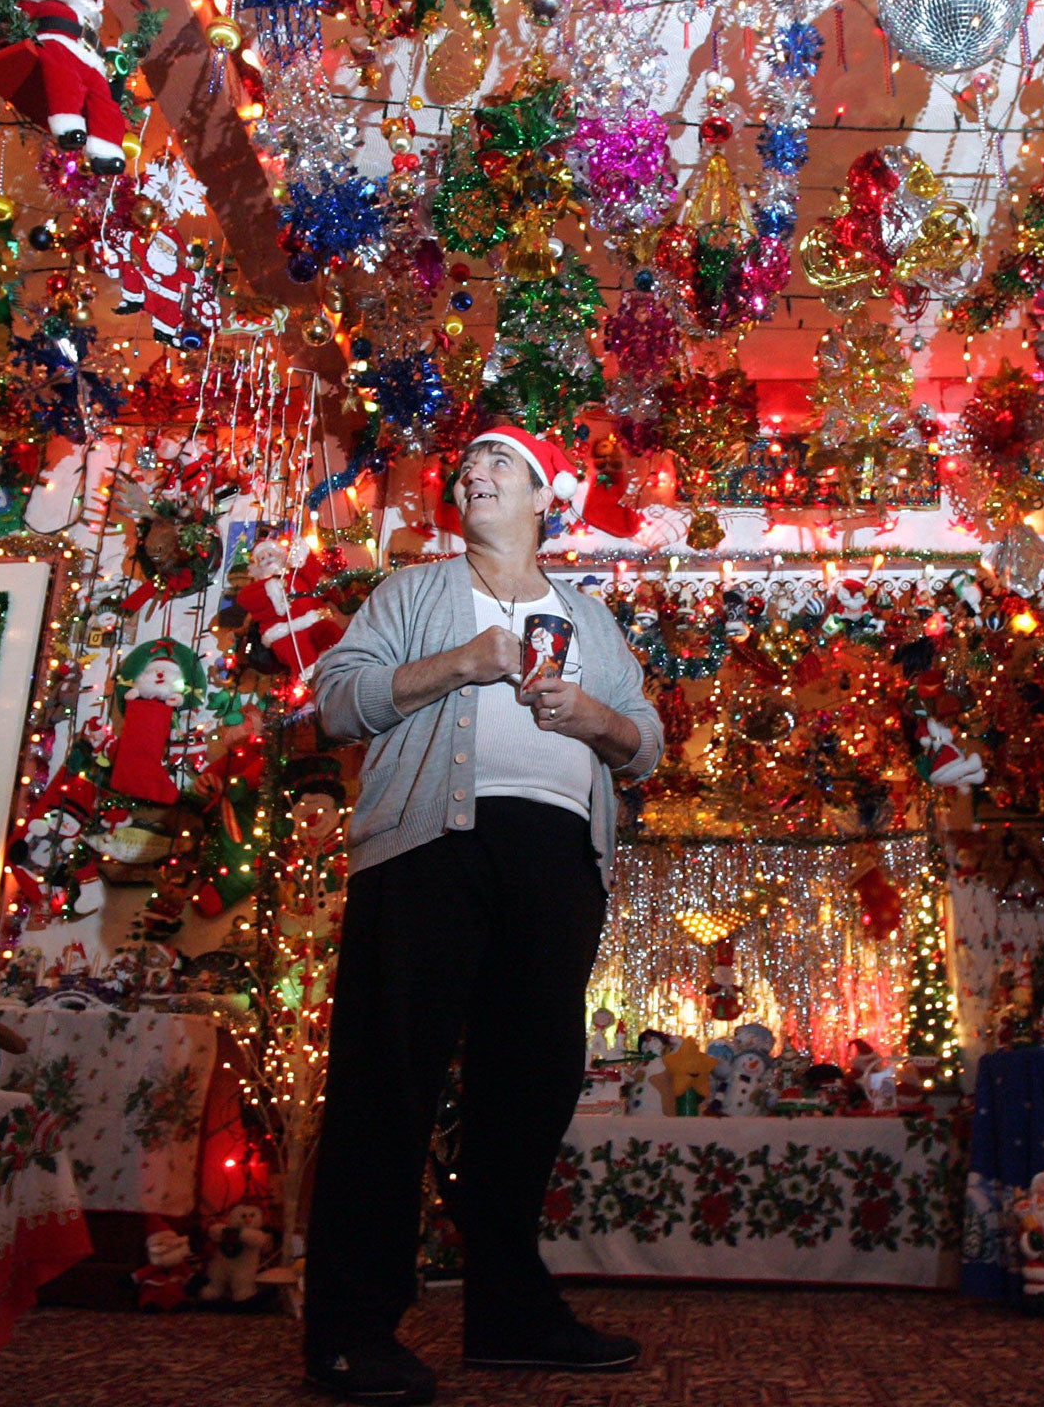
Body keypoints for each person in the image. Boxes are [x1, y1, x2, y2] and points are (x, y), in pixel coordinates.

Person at [304, 425, 663, 1404]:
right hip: (425, 851)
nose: (473, 473)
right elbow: (334, 703)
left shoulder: (589, 619)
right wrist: (457, 664)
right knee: (387, 1082)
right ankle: (348, 1331)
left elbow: (645, 743)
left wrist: (592, 719)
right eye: (465, 467)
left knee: (529, 1091)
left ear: (548, 497)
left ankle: (508, 1313)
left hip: (555, 864)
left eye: (499, 463)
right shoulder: (412, 594)